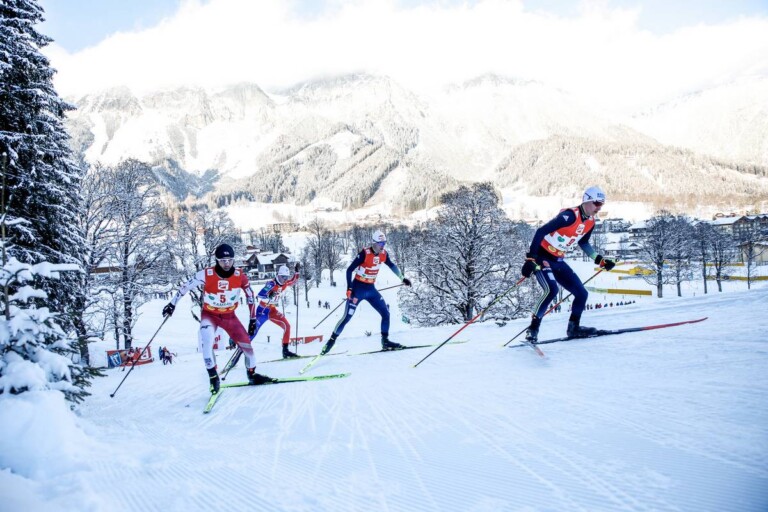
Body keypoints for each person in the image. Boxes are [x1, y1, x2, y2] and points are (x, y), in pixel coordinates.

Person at [162, 243, 274, 393]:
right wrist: (172, 304)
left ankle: (252, 374)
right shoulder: (206, 274)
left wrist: (252, 319)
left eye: (230, 260)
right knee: (207, 341)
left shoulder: (240, 276)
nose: (227, 264)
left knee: (248, 348)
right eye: (223, 261)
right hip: (210, 315)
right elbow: (185, 287)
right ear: (217, 260)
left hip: (230, 317)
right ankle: (213, 377)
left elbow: (250, 296)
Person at [521, 186, 616, 341]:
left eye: (602, 204)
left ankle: (573, 328)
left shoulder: (591, 222)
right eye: (597, 203)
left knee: (582, 294)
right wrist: (530, 259)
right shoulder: (569, 216)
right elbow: (540, 232)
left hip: (558, 260)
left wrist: (600, 260)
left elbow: (584, 243)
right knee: (551, 290)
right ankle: (533, 329)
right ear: (586, 201)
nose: (599, 208)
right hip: (542, 257)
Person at [319, 230, 412, 354]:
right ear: (374, 243)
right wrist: (349, 288)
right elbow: (349, 270)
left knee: (386, 314)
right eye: (380, 243)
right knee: (346, 317)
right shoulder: (364, 253)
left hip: (371, 289)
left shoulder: (384, 254)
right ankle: (330, 342)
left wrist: (402, 278)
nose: (383, 246)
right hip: (357, 289)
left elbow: (392, 266)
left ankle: (385, 341)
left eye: (384, 243)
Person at [250, 263, 301, 359]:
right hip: (263, 310)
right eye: (283, 277)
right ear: (278, 275)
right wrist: (269, 295)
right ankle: (241, 350)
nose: (284, 279)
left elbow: (293, 281)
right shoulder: (271, 284)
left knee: (287, 326)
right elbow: (260, 295)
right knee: (254, 332)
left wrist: (297, 272)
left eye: (286, 277)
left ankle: (285, 351)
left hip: (272, 310)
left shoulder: (284, 284)